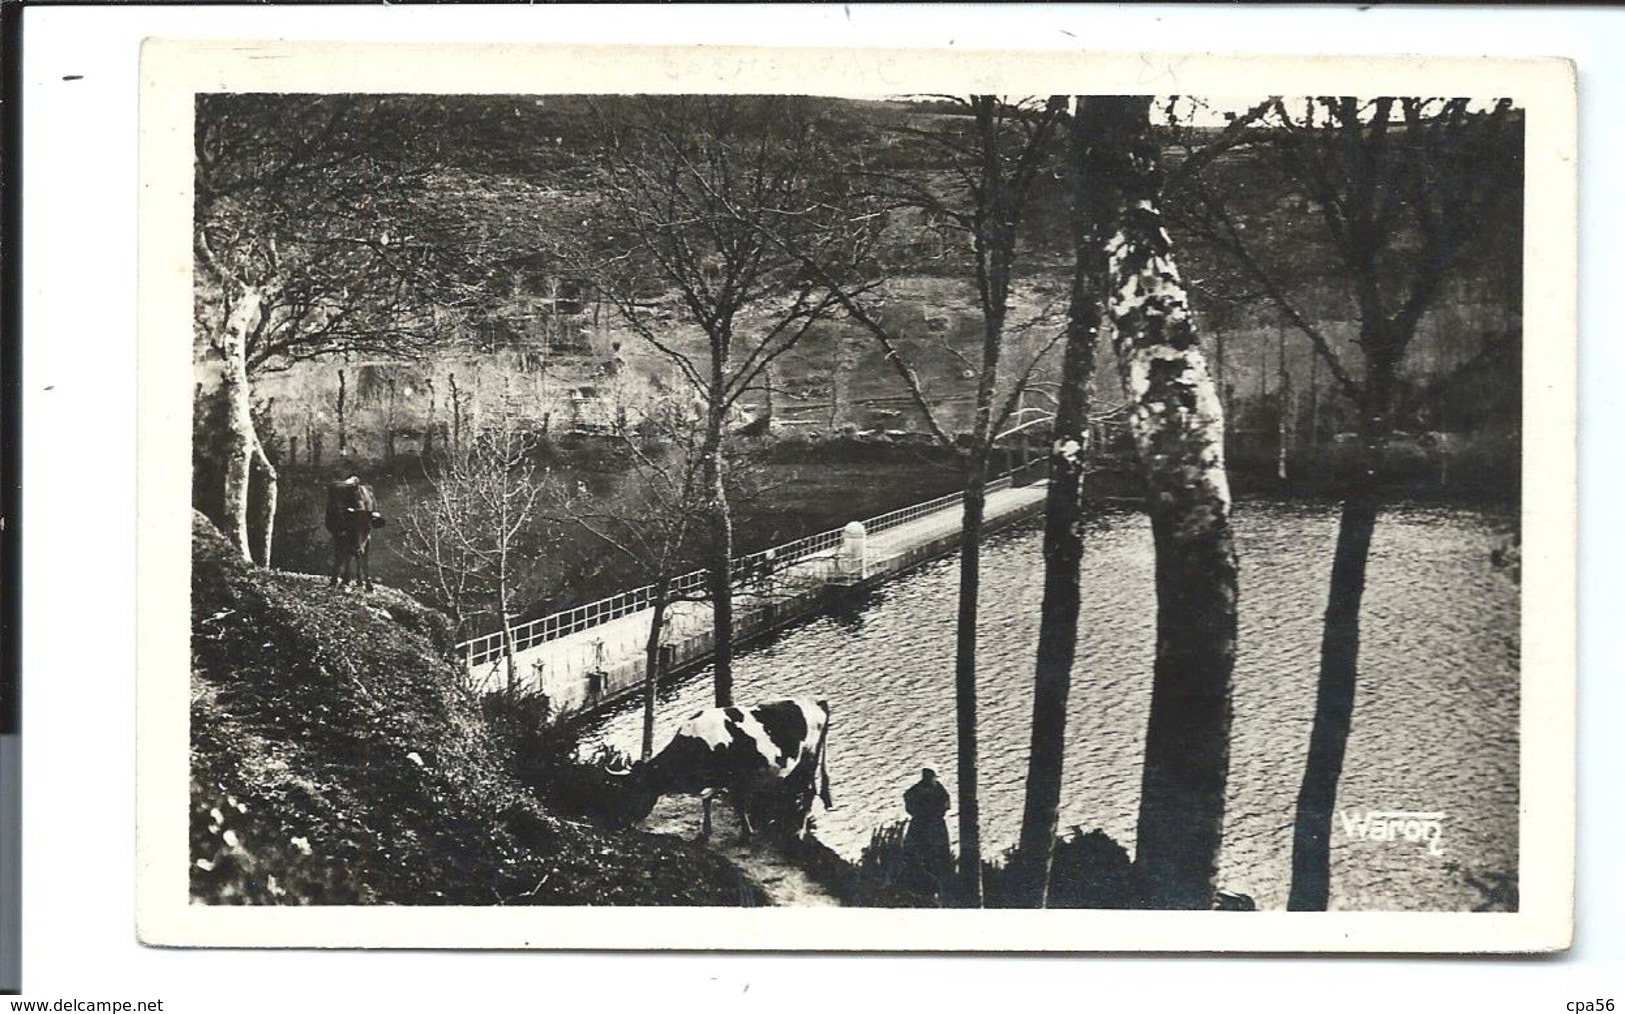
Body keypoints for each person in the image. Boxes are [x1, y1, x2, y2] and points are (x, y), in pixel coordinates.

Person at [899, 767, 953, 900]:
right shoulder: (921, 790)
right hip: (925, 825)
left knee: (936, 856)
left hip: (932, 825)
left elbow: (946, 803)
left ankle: (935, 887)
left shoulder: (936, 789)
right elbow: (909, 801)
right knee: (921, 855)